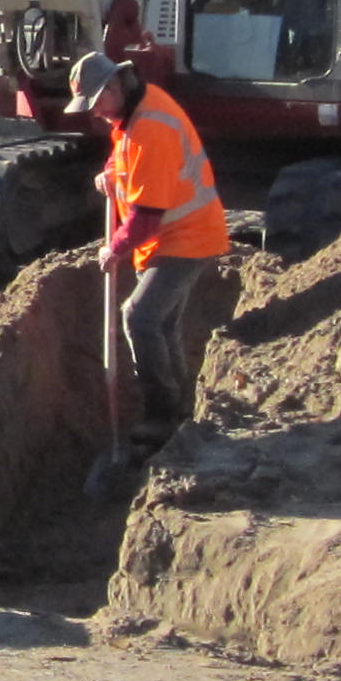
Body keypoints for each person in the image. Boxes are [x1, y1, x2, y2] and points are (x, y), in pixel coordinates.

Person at [75, 48, 231, 440]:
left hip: (187, 237)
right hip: (172, 236)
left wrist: (115, 249)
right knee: (161, 324)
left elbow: (146, 217)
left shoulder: (151, 128)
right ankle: (179, 412)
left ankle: (162, 414)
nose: (94, 113)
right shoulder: (133, 111)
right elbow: (125, 154)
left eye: (96, 103)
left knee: (139, 317)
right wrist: (111, 172)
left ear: (113, 86)